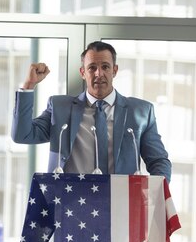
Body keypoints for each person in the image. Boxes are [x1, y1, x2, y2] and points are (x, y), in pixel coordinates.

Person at [11, 40, 171, 182]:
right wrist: (29, 85)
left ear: (114, 70)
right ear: (82, 73)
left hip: (120, 205)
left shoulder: (141, 111)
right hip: (70, 204)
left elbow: (158, 161)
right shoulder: (60, 108)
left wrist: (153, 195)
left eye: (105, 67)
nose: (98, 73)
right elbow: (22, 135)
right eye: (92, 67)